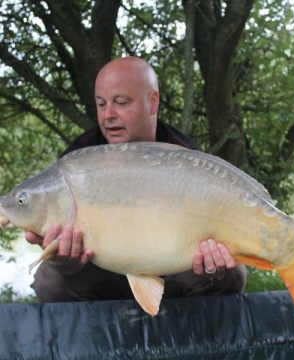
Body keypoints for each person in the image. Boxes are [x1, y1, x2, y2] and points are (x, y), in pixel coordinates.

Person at [25, 57, 247, 303]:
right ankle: (97, 339)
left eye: (121, 102)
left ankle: (185, 337)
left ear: (153, 103)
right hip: (104, 267)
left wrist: (212, 264)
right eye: (101, 104)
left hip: (173, 262)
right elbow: (65, 252)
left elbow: (215, 236)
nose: (108, 115)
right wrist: (64, 260)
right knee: (50, 281)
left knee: (233, 274)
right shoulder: (78, 159)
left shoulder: (185, 156)